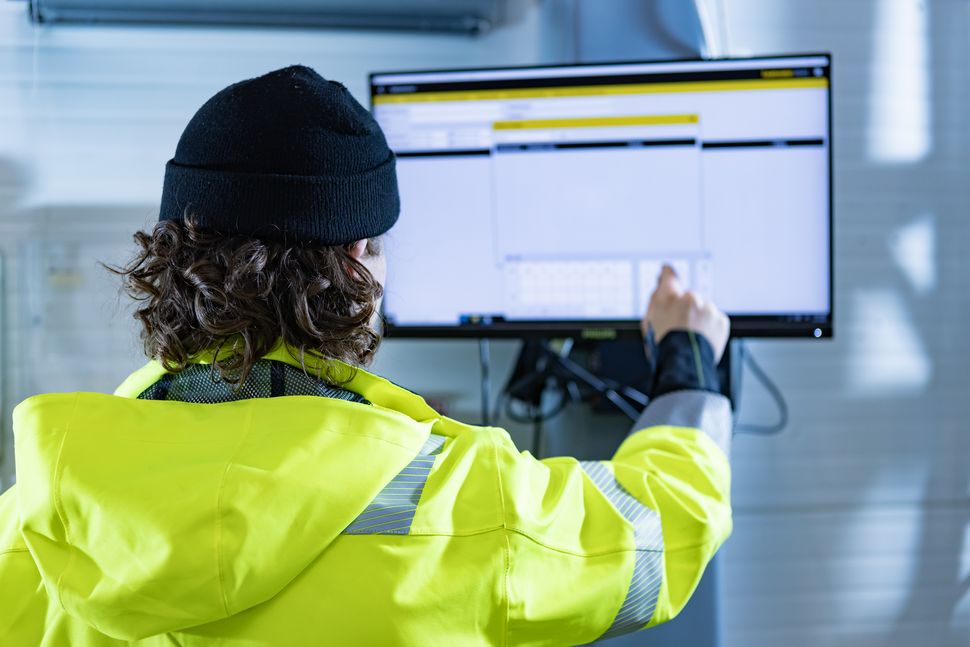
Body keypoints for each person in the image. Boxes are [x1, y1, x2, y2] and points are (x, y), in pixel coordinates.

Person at [0, 65, 731, 646]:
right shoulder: (467, 503)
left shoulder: (37, 517)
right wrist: (688, 363)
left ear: (176, 253)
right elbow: (658, 534)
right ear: (358, 259)